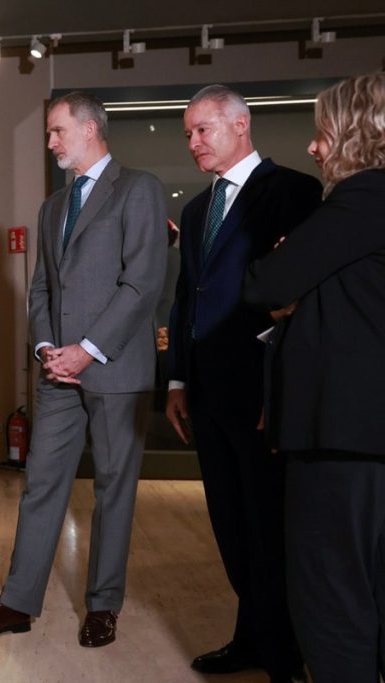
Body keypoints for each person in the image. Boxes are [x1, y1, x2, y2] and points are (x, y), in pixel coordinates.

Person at [0, 91, 166, 646]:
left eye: (56, 132)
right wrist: (49, 346)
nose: (50, 143)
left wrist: (88, 348)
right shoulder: (53, 207)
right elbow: (42, 288)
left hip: (115, 368)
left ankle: (103, 605)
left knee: (114, 488)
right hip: (57, 373)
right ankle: (18, 603)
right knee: (41, 484)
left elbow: (142, 282)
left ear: (91, 129)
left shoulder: (138, 189)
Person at [164, 85, 322, 681]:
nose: (194, 142)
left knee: (269, 527)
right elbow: (188, 297)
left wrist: (279, 387)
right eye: (188, 134)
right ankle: (252, 638)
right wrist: (178, 378)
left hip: (259, 394)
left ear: (241, 124)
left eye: (203, 129)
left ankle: (285, 655)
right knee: (230, 527)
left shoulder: (295, 192)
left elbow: (302, 301)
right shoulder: (201, 209)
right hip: (205, 393)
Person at [243, 72, 385, 683]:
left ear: (352, 134)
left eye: (321, 133)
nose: (313, 148)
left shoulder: (362, 198)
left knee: (333, 606)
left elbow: (265, 283)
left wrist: (290, 271)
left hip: (344, 439)